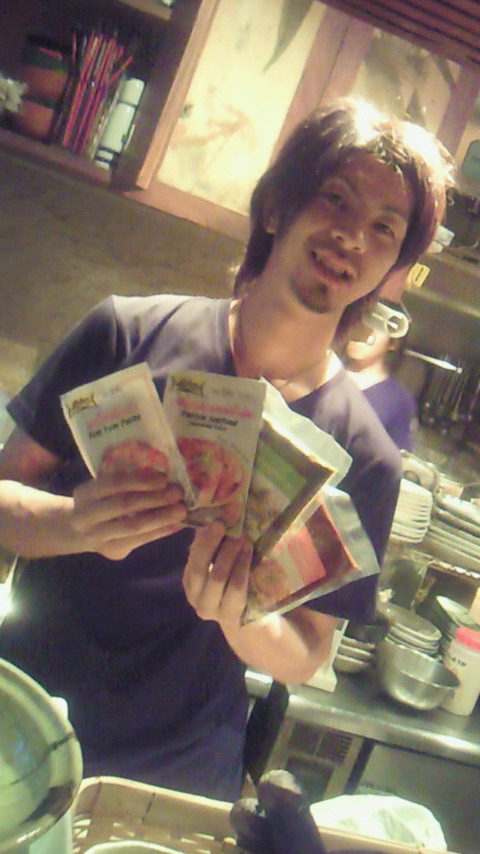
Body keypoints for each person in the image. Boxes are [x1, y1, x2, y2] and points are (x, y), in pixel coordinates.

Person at [0, 99, 454, 800]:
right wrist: (74, 522)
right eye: (335, 198)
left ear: (391, 269)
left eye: (384, 229)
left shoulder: (364, 456)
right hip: (21, 717)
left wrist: (242, 614)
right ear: (275, 207)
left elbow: (308, 651)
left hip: (173, 775)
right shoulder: (126, 333)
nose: (351, 236)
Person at [343, 321, 418, 450]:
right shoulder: (325, 368)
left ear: (394, 342)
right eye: (358, 325)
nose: (361, 335)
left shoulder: (399, 402)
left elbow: (394, 456)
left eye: (373, 329)